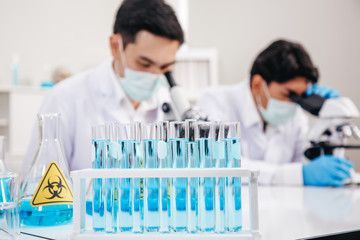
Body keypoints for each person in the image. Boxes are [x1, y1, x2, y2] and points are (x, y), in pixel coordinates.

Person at [22, 0, 184, 173]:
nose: (155, 76)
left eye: (165, 68)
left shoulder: (172, 106)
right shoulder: (65, 98)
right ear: (115, 46)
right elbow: (37, 186)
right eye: (144, 64)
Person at [197, 39, 354, 186]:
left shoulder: (295, 115)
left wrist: (330, 118)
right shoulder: (216, 102)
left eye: (300, 97)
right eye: (289, 94)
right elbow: (219, 164)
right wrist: (292, 175)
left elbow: (310, 165)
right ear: (258, 84)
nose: (294, 103)